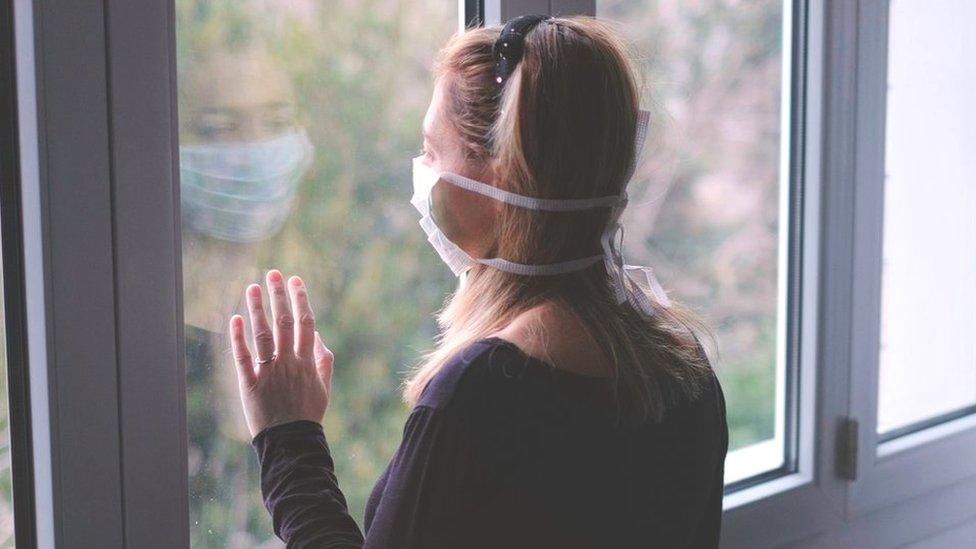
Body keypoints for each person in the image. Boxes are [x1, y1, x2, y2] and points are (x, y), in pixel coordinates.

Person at [228, 15, 728, 548]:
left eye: (432, 151)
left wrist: (289, 439)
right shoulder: (681, 363)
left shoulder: (484, 394)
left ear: (501, 174)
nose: (422, 171)